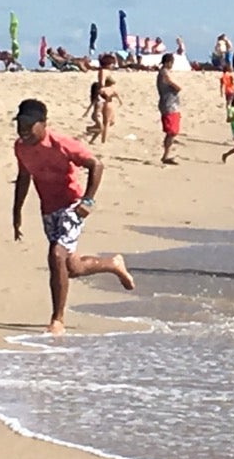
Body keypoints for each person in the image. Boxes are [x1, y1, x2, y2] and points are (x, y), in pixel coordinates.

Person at [12, 98, 133, 333]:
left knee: (56, 254)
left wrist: (88, 200)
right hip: (48, 209)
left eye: (28, 125)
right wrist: (16, 212)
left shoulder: (60, 144)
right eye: (19, 124)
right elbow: (24, 177)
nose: (23, 130)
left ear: (43, 124)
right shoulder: (21, 147)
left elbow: (96, 165)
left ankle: (57, 319)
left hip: (71, 204)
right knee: (71, 267)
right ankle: (112, 264)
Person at [156, 53, 182, 165]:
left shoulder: (164, 73)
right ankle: (165, 155)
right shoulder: (164, 73)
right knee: (172, 131)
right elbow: (176, 86)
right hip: (168, 104)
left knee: (173, 131)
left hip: (171, 104)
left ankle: (167, 154)